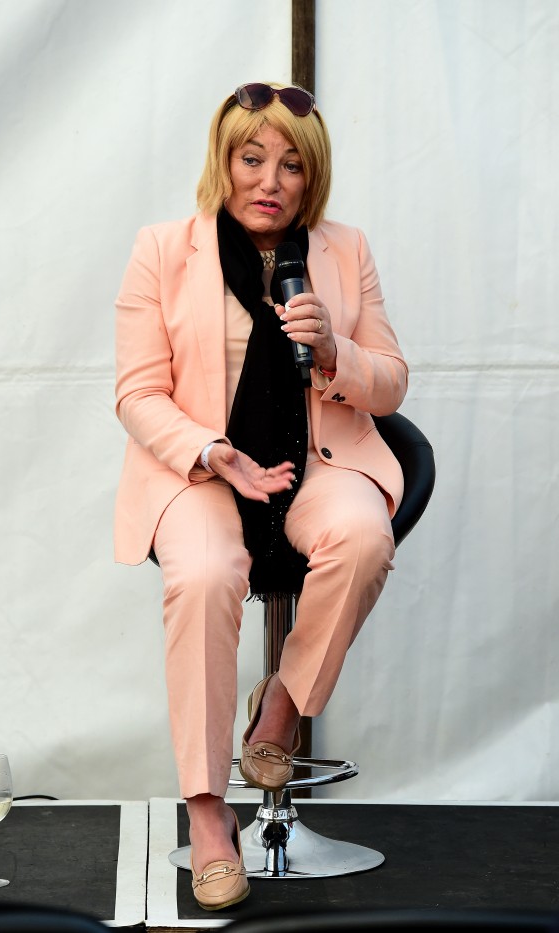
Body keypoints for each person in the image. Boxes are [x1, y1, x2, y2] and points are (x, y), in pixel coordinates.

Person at [114, 82, 408, 910]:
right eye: (251, 158)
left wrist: (338, 349)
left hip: (315, 464)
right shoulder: (163, 250)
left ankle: (278, 704)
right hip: (206, 471)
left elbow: (390, 382)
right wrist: (213, 452)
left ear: (310, 179)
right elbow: (138, 393)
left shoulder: (344, 251)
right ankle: (210, 816)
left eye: (290, 165)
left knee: (362, 534)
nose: (268, 180)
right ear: (224, 161)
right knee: (204, 576)